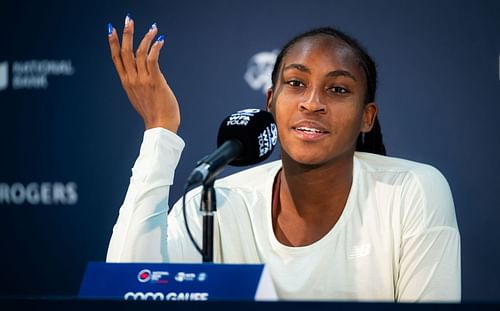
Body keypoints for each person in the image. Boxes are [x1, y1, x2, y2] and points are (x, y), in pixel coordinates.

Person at [105, 14, 461, 302]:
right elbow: (128, 291)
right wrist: (160, 131)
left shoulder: (412, 191)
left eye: (337, 89)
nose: (312, 102)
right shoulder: (213, 201)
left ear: (366, 117)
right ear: (271, 101)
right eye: (296, 83)